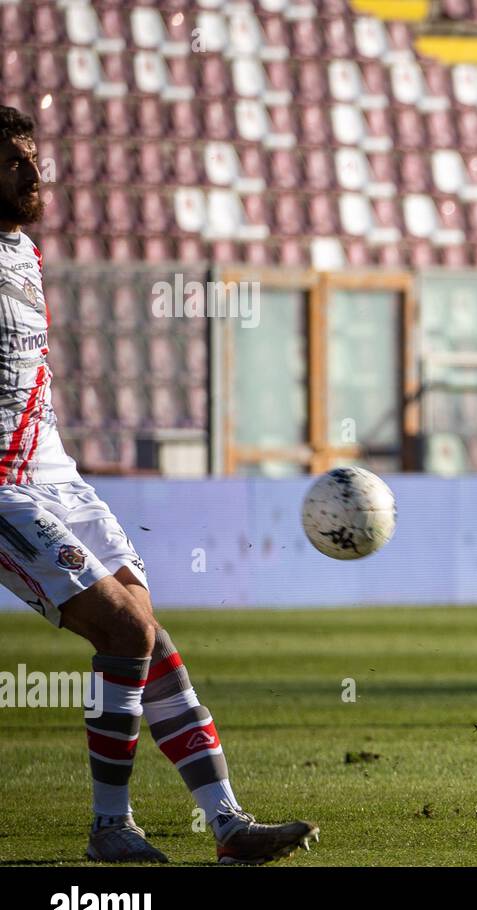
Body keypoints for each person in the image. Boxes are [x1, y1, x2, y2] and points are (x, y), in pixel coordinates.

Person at [0, 105, 317, 862]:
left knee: (151, 640)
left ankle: (228, 825)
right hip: (4, 484)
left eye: (33, 154)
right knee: (127, 632)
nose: (34, 171)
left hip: (54, 469)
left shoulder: (23, 252)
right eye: (13, 160)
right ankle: (110, 827)